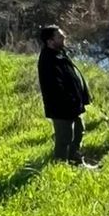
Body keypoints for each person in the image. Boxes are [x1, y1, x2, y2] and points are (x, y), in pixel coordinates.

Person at [37, 25, 93, 166]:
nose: (64, 38)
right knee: (64, 138)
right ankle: (61, 165)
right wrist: (70, 99)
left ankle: (74, 160)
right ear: (50, 41)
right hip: (61, 107)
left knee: (79, 131)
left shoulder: (60, 54)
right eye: (60, 36)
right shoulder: (48, 60)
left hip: (73, 105)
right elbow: (55, 87)